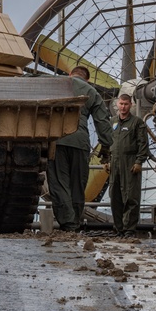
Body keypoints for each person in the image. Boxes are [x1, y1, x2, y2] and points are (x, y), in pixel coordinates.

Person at [46, 66, 113, 232]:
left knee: (59, 184)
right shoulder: (93, 93)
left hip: (57, 140)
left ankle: (68, 224)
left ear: (70, 74)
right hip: (80, 143)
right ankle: (74, 222)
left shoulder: (55, 83)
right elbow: (103, 124)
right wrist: (106, 147)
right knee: (78, 184)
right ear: (87, 79)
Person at [105, 93, 150, 237]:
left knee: (131, 196)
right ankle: (119, 229)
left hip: (130, 163)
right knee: (115, 196)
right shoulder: (111, 122)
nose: (123, 107)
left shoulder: (137, 123)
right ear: (117, 104)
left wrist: (139, 161)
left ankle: (129, 229)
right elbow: (105, 142)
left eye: (126, 104)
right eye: (121, 104)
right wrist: (106, 161)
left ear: (130, 105)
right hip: (114, 163)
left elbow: (143, 143)